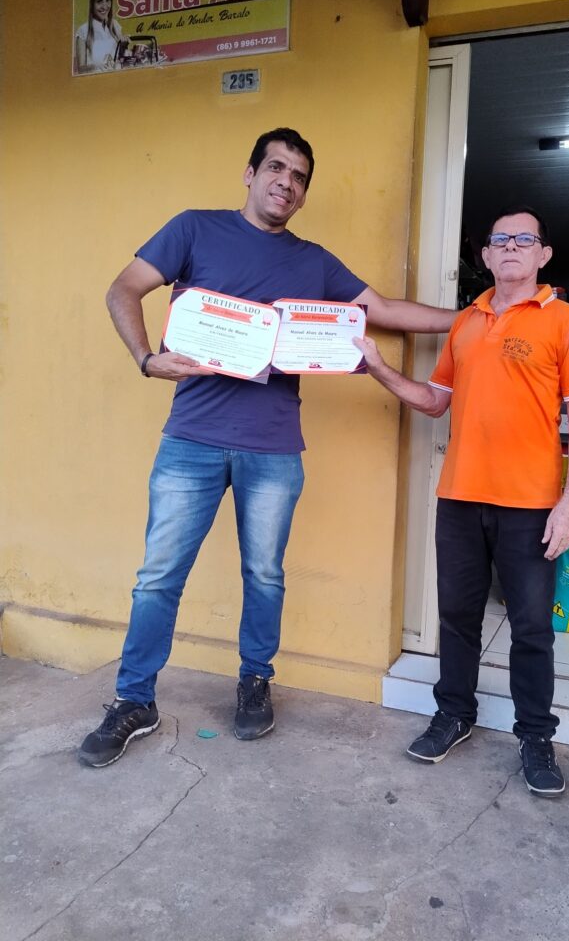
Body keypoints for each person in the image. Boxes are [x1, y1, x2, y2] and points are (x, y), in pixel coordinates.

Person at [78, 127, 457, 768]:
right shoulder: (194, 229)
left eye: (299, 176)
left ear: (304, 194)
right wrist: (146, 359)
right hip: (191, 441)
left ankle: (255, 681)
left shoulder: (314, 262)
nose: (287, 181)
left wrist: (477, 317)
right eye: (276, 168)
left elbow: (386, 310)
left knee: (265, 574)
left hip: (274, 447)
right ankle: (134, 700)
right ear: (250, 173)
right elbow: (123, 289)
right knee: (158, 578)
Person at [354, 207, 569, 797]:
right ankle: (454, 714)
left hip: (531, 503)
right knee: (457, 618)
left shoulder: (565, 321)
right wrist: (379, 368)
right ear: (485, 256)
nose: (511, 246)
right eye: (500, 239)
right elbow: (435, 400)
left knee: (532, 626)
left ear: (543, 255)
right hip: (460, 497)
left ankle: (535, 736)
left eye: (524, 239)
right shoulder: (465, 323)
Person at [74, 0, 124, 74]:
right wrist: (98, 66)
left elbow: (121, 60)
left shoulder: (116, 26)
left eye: (108, 0)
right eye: (99, 1)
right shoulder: (83, 31)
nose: (105, 6)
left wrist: (124, 45)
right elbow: (81, 70)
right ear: (92, 4)